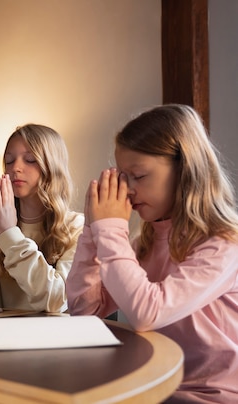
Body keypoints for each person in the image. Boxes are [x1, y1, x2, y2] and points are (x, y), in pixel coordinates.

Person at [66, 104, 238, 402]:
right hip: (154, 386)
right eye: (123, 177)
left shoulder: (224, 245)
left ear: (185, 170)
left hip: (211, 396)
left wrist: (110, 228)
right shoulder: (142, 244)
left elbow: (148, 313)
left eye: (139, 176)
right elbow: (84, 312)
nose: (128, 189)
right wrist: (92, 233)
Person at [0, 124, 84, 313]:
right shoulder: (2, 229)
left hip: (55, 339)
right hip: (1, 339)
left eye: (30, 160)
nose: (16, 168)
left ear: (52, 167)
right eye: (9, 161)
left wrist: (10, 235)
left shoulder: (76, 227)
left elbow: (58, 301)